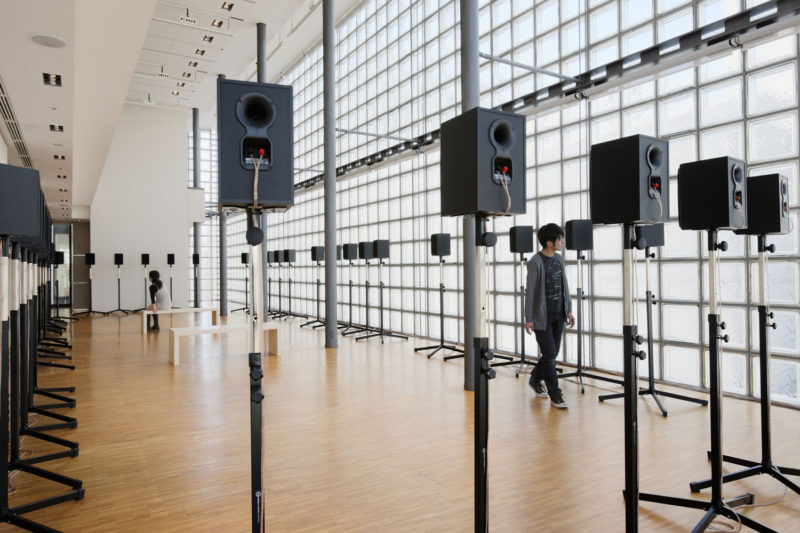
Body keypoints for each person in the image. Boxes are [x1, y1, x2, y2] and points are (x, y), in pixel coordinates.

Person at [525, 223, 575, 409]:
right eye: (560, 239)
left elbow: (565, 286)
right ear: (549, 243)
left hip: (559, 314)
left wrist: (569, 309)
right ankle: (556, 394)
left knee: (551, 354)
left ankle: (535, 378)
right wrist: (528, 318)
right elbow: (530, 292)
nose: (563, 241)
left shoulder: (560, 260)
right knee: (550, 354)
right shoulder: (535, 262)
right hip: (541, 317)